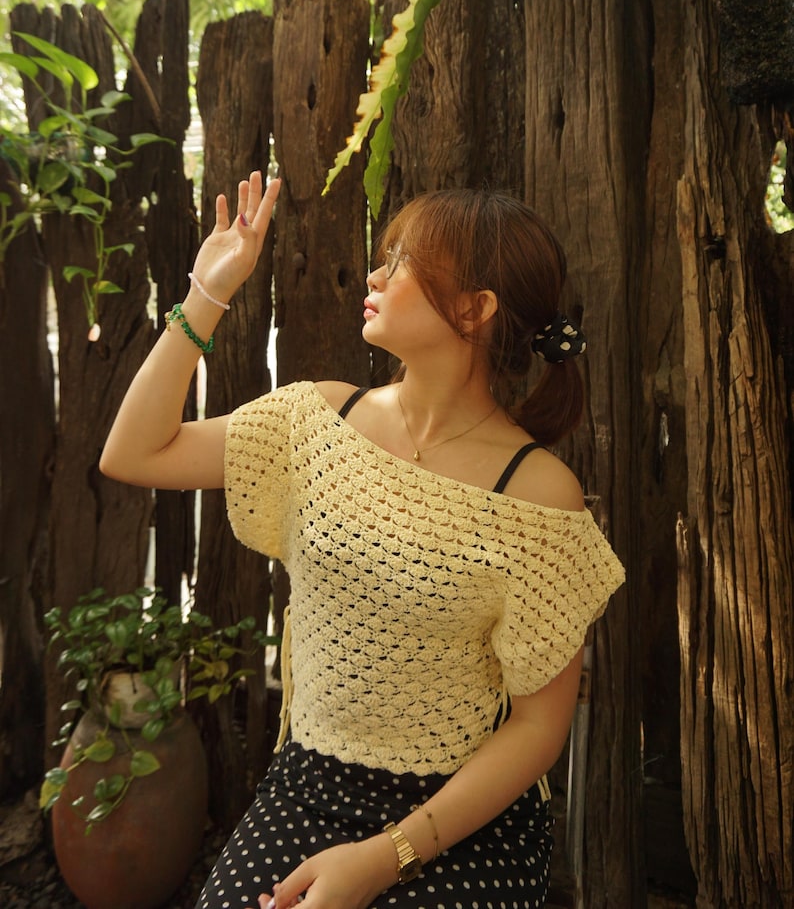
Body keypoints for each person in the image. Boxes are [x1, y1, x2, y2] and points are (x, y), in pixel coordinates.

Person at [100, 171, 625, 909]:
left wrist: (386, 856)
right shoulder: (316, 419)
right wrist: (206, 294)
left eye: (403, 262)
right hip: (308, 786)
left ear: (475, 309)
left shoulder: (537, 494)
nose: (376, 274)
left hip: (462, 818)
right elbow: (134, 452)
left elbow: (540, 726)